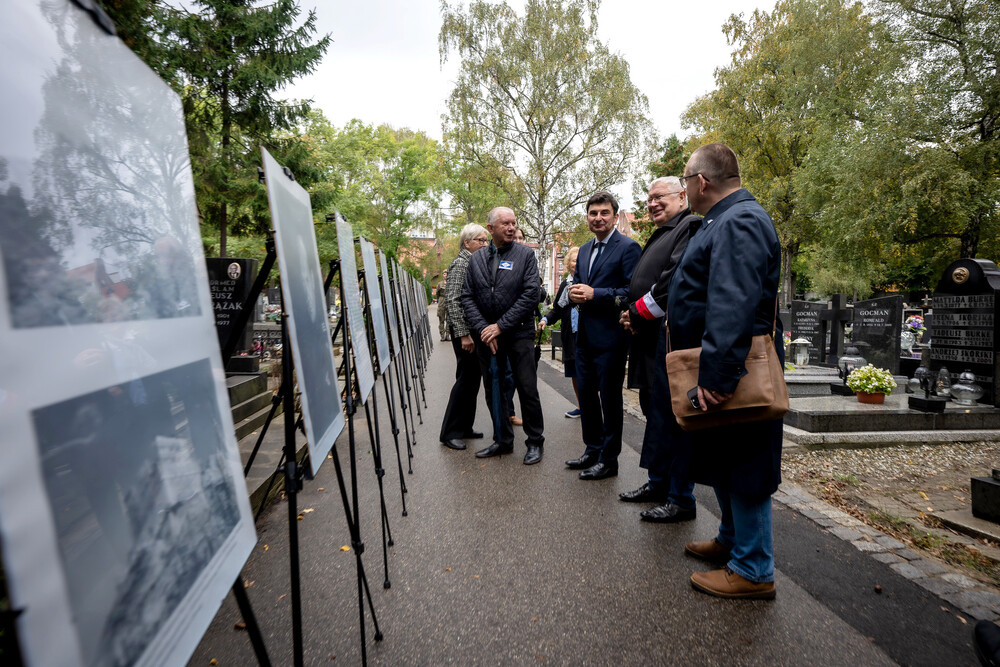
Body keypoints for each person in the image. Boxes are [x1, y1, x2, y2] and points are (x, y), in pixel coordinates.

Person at [667, 143, 783, 600]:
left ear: (701, 182)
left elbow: (733, 302)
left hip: (733, 368)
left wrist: (717, 376)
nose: (684, 189)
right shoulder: (725, 218)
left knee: (746, 461)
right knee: (727, 459)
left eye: (685, 181)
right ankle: (732, 540)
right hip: (722, 361)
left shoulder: (740, 220)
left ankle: (753, 568)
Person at [618, 177, 701, 523]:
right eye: (649, 198)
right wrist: (631, 311)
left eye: (659, 197)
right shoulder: (663, 231)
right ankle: (658, 483)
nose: (652, 203)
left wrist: (637, 312)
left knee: (673, 417)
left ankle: (680, 497)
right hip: (649, 336)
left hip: (669, 339)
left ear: (682, 196)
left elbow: (671, 280)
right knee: (654, 413)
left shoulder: (689, 226)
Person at [565, 192, 641, 480]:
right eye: (593, 213)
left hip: (611, 339)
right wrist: (574, 293)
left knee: (609, 400)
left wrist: (595, 294)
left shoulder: (628, 248)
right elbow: (579, 286)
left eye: (604, 213)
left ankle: (609, 461)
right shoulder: (584, 250)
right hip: (584, 338)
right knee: (586, 398)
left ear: (615, 216)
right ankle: (592, 450)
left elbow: (631, 293)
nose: (598, 218)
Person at [461, 207, 545, 465]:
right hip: (489, 338)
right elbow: (467, 296)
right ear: (491, 229)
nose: (511, 228)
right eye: (505, 224)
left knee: (526, 388)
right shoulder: (476, 259)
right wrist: (485, 329)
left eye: (513, 223)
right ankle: (502, 440)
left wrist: (500, 326)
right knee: (494, 389)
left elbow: (531, 294)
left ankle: (535, 442)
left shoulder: (525, 255)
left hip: (519, 333)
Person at [438, 225, 489, 450]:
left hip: (473, 331)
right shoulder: (461, 263)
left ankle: (465, 427)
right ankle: (450, 432)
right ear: (467, 243)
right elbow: (453, 300)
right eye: (480, 240)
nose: (485, 244)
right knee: (465, 380)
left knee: (472, 380)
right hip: (465, 333)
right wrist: (463, 334)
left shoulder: (473, 261)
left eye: (486, 240)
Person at [539, 247, 581, 418]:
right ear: (568, 263)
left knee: (589, 371)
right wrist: (545, 319)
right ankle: (581, 406)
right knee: (574, 372)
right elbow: (557, 309)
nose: (576, 263)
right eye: (574, 260)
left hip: (586, 334)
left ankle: (592, 404)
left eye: (579, 260)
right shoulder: (565, 284)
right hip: (570, 334)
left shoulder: (589, 281)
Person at [437, 271, 450, 341]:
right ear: (443, 275)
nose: (446, 275)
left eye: (447, 274)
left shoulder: (450, 283)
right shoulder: (440, 284)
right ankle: (442, 335)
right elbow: (437, 293)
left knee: (449, 319)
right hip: (441, 301)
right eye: (444, 274)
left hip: (449, 301)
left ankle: (447, 335)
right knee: (441, 319)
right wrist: (439, 300)